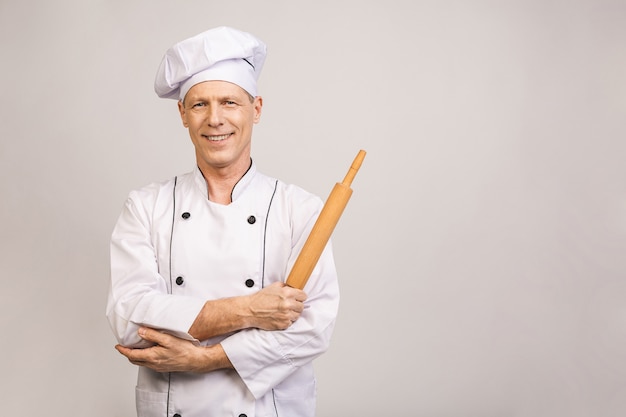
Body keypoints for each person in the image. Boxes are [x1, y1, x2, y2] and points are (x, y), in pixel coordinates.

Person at [106, 26, 340, 417]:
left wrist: (206, 358)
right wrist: (248, 310)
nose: (215, 120)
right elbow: (131, 322)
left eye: (230, 102)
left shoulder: (300, 209)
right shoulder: (145, 207)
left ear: (257, 109)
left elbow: (313, 329)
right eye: (200, 105)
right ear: (182, 114)